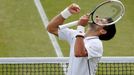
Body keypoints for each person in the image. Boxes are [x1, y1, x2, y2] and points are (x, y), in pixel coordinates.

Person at [47, 3, 116, 75]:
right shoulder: (75, 35)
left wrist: (81, 27)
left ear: (103, 31)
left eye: (101, 21)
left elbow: (79, 53)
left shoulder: (96, 44)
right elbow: (51, 28)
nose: (97, 18)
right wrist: (67, 12)